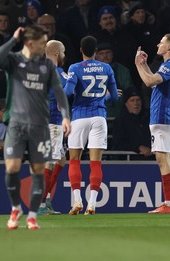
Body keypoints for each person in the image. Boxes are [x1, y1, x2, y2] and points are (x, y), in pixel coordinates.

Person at [0, 25, 71, 230]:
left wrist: (65, 116)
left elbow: (59, 92)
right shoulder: (15, 61)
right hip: (17, 125)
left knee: (38, 171)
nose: (44, 47)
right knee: (12, 168)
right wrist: (12, 39)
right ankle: (16, 207)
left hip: (40, 126)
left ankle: (33, 216)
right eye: (41, 43)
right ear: (29, 43)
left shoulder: (47, 66)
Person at [65, 35, 119, 215]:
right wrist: (104, 96)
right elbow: (115, 97)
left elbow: (66, 92)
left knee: (74, 160)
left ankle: (77, 200)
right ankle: (92, 204)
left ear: (80, 50)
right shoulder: (107, 67)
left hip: (79, 117)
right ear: (96, 51)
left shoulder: (75, 68)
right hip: (99, 117)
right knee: (95, 163)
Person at [135, 34, 170, 213]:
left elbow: (148, 81)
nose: (158, 44)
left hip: (163, 118)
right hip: (167, 118)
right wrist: (144, 65)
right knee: (169, 160)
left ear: (169, 47)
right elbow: (153, 79)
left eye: (161, 42)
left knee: (162, 159)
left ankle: (169, 204)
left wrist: (138, 65)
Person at [37, 40, 69, 216]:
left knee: (61, 159)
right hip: (53, 122)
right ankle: (40, 205)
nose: (65, 55)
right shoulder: (58, 73)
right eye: (63, 51)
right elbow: (70, 90)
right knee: (49, 162)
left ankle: (46, 198)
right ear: (57, 53)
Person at [112, 87, 153, 160]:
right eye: (132, 100)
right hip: (129, 161)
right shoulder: (120, 121)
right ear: (126, 103)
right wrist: (138, 147)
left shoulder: (149, 119)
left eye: (138, 100)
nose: (136, 103)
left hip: (151, 159)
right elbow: (118, 144)